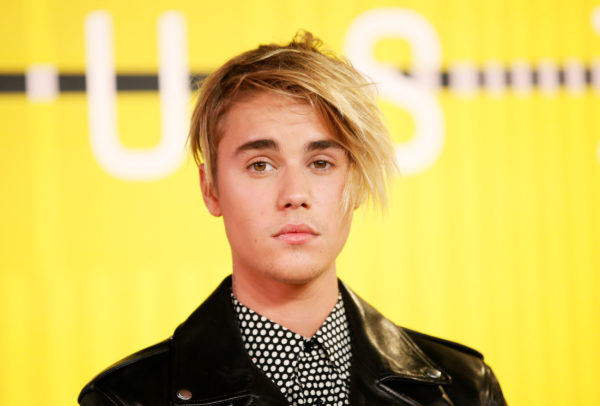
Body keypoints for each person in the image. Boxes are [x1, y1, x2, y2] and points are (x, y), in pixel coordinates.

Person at [78, 31, 506, 406]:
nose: (295, 195)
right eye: (261, 165)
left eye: (321, 163)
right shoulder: (126, 398)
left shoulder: (464, 389)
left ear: (355, 182)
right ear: (211, 188)